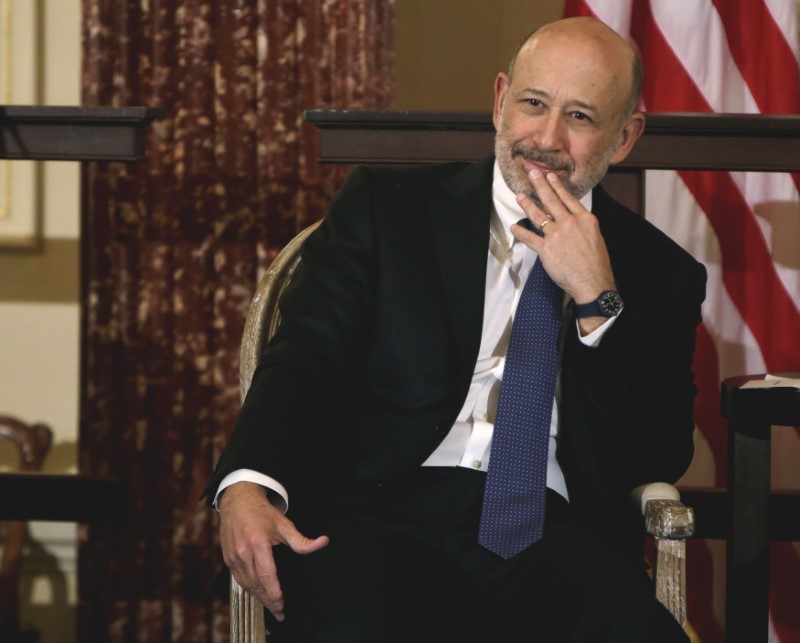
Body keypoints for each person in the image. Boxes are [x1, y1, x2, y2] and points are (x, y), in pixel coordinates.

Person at [204, 16, 707, 642]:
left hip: (552, 533)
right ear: (500, 101)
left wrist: (597, 301)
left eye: (580, 117)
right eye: (533, 104)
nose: (546, 138)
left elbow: (656, 454)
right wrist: (247, 484)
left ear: (625, 136)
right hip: (379, 510)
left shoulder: (661, 273)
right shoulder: (388, 206)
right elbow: (305, 361)